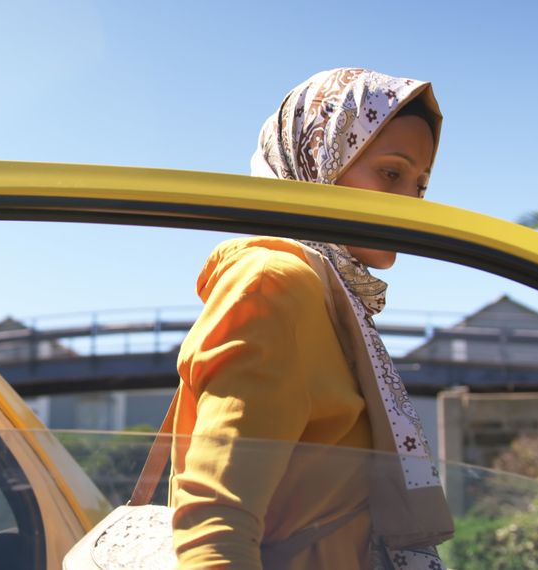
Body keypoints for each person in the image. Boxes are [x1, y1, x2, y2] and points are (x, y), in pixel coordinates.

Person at [169, 68, 454, 569]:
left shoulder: (334, 296)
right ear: (317, 160)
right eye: (391, 173)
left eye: (421, 184)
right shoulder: (275, 283)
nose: (411, 201)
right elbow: (215, 531)